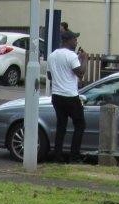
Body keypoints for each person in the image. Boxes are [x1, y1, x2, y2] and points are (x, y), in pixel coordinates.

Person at [47, 29, 86, 163]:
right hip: (70, 96)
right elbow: (80, 73)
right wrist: (84, 59)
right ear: (68, 41)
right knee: (80, 125)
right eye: (75, 39)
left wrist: (60, 77)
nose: (76, 42)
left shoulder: (52, 55)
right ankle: (74, 156)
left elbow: (49, 76)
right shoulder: (71, 55)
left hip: (56, 96)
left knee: (61, 126)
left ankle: (58, 156)